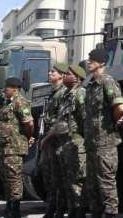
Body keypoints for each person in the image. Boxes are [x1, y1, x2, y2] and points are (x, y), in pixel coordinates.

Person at [83, 48, 123, 218]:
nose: (88, 62)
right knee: (92, 184)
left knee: (106, 183)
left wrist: (113, 121)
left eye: (92, 60)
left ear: (101, 63)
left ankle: (111, 214)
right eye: (89, 59)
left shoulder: (108, 82)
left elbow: (120, 107)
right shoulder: (91, 85)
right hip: (92, 143)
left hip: (106, 142)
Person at [0, 76, 34, 218]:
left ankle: (15, 208)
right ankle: (9, 205)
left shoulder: (21, 102)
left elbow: (29, 123)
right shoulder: (7, 103)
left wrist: (28, 136)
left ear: (14, 89)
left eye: (6, 88)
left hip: (15, 146)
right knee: (5, 177)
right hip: (5, 147)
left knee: (14, 177)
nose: (5, 90)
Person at [56, 63, 87, 218]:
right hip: (65, 145)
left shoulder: (80, 94)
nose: (65, 76)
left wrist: (81, 142)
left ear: (77, 78)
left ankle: (79, 213)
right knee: (67, 182)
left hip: (77, 144)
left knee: (77, 182)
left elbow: (85, 119)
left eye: (68, 74)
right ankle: (72, 211)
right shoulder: (66, 95)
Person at [40, 62, 69, 218]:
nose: (50, 73)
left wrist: (47, 138)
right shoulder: (53, 93)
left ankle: (58, 209)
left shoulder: (63, 93)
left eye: (53, 72)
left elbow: (60, 120)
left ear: (62, 75)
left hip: (58, 140)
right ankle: (51, 208)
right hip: (50, 140)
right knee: (49, 176)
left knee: (58, 177)